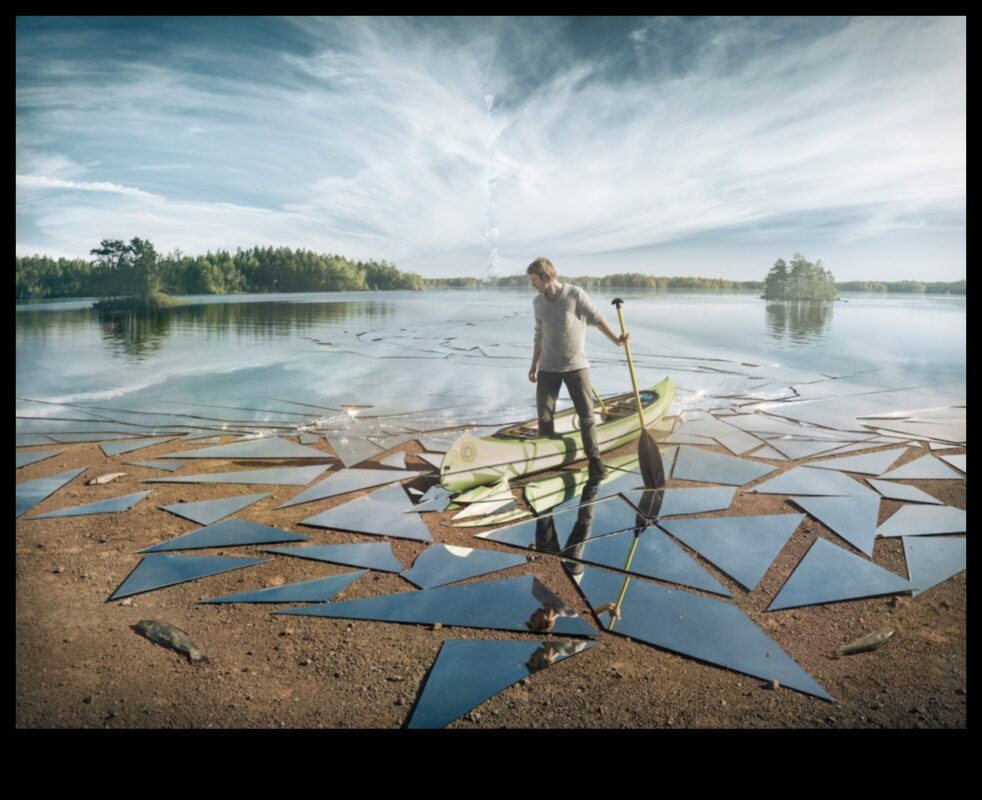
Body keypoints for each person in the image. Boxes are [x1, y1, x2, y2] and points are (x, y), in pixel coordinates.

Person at [527, 257, 629, 479]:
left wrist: (616, 340)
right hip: (547, 368)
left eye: (534, 280)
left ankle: (594, 459)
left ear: (546, 277)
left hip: (576, 366)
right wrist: (534, 365)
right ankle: (547, 462)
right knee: (545, 417)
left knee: (586, 415)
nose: (532, 284)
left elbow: (597, 318)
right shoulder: (537, 303)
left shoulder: (575, 295)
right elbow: (539, 334)